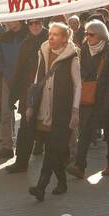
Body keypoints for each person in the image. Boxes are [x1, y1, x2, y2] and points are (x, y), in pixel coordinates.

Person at [25, 22, 81, 200]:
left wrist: (75, 110)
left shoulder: (72, 56)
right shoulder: (43, 51)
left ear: (65, 39)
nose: (51, 37)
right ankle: (62, 182)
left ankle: (41, 186)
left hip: (61, 110)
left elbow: (78, 84)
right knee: (54, 149)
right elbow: (37, 78)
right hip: (43, 107)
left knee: (52, 147)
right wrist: (31, 104)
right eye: (50, 33)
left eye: (56, 34)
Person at [69, 19, 109, 178]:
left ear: (101, 35)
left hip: (104, 97)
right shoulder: (83, 49)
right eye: (86, 34)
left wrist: (108, 104)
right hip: (88, 97)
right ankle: (79, 166)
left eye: (91, 34)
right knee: (84, 131)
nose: (87, 37)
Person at [8, 19, 48, 172]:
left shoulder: (50, 40)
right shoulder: (26, 42)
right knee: (25, 127)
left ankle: (59, 165)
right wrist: (13, 96)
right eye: (31, 23)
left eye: (37, 23)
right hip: (28, 92)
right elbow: (19, 70)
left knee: (50, 129)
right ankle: (21, 161)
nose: (35, 26)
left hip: (47, 91)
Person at [0, 21, 27, 160]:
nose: (10, 22)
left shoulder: (28, 34)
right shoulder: (4, 37)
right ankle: (7, 147)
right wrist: (2, 70)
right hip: (7, 78)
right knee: (5, 113)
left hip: (25, 79)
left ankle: (27, 147)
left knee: (27, 114)